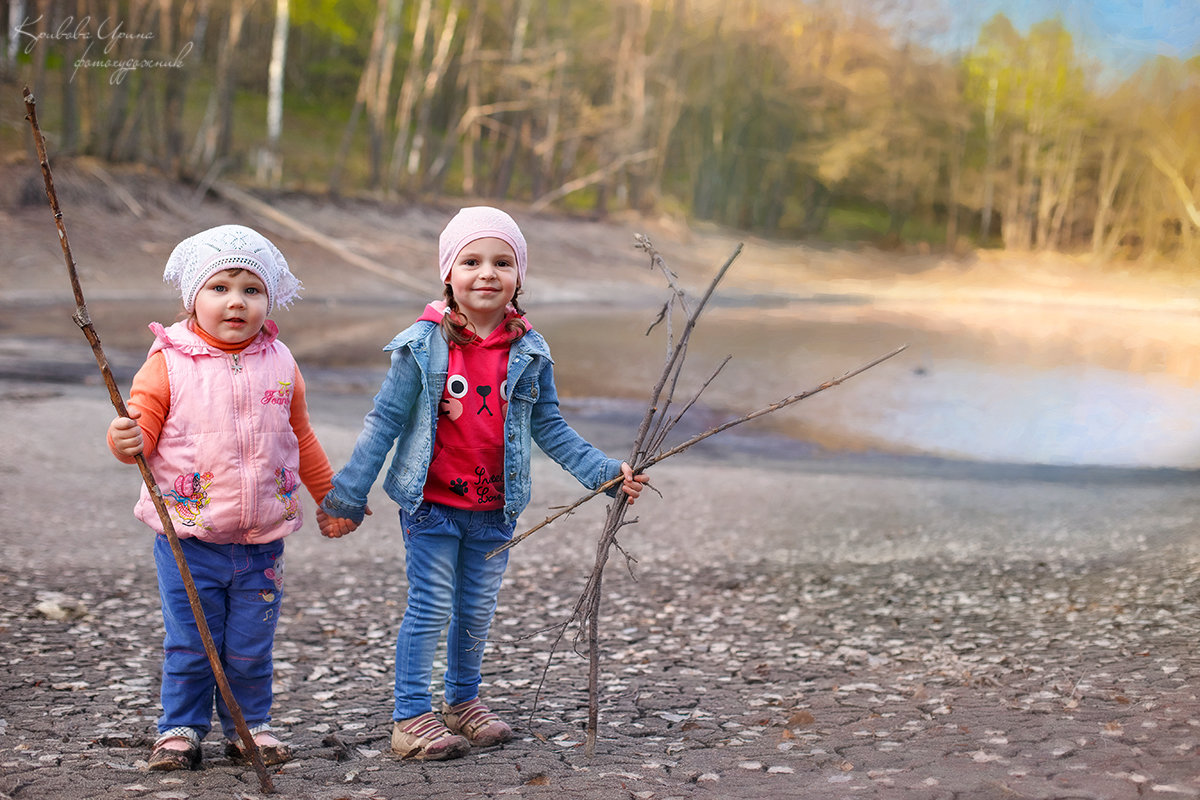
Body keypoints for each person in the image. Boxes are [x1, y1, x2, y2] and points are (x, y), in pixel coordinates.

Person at [317, 206, 648, 761]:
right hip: (431, 506)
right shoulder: (421, 346)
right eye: (471, 261)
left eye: (502, 261)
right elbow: (384, 422)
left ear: (520, 275)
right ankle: (410, 716)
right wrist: (348, 496)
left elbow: (550, 426)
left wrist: (603, 475)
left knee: (475, 610)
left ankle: (462, 702)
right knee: (431, 604)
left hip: (497, 510)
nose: (486, 273)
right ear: (448, 273)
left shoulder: (531, 351)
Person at [106, 224, 334, 771]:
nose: (237, 301)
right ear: (193, 298)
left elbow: (298, 435)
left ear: (268, 300)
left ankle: (249, 726)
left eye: (251, 290)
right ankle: (180, 728)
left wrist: (330, 497)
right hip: (190, 539)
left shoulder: (282, 362)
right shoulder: (168, 363)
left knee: (251, 646)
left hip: (262, 542)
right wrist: (124, 437)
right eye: (221, 287)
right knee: (191, 642)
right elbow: (140, 433)